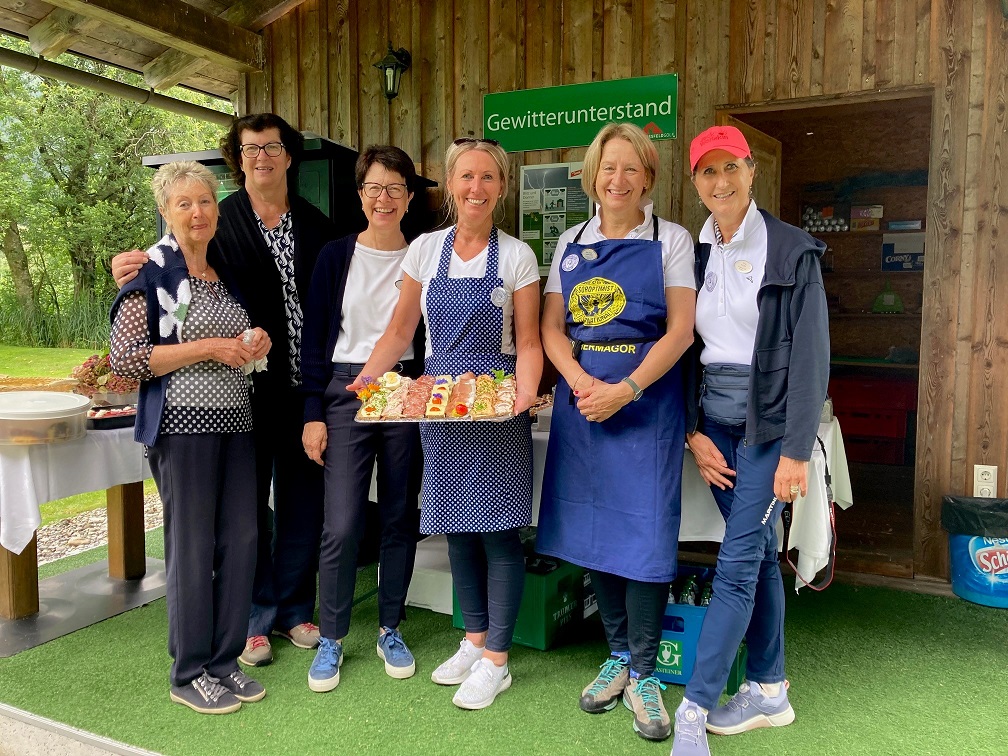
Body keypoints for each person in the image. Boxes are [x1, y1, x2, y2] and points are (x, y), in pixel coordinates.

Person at [112, 114, 337, 667]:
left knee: (304, 502)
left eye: (273, 147)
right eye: (250, 148)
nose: (262, 156)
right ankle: (255, 618)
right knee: (247, 510)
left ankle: (292, 609)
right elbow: (172, 270)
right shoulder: (220, 219)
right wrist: (128, 267)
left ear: (289, 156)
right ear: (238, 158)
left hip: (307, 387)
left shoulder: (317, 224)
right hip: (241, 394)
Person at [349, 137, 542, 710]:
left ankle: (498, 661)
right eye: (466, 177)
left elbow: (529, 342)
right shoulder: (425, 251)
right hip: (441, 409)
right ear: (452, 186)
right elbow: (398, 332)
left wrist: (525, 392)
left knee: (500, 537)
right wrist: (367, 379)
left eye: (487, 177)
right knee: (458, 531)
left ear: (501, 187)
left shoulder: (517, 256)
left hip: (498, 406)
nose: (476, 188)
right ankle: (474, 640)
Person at [669, 125, 829, 756]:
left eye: (729, 167)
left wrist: (794, 450)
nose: (720, 182)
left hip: (769, 432)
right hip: (717, 425)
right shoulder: (696, 253)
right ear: (696, 182)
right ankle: (769, 689)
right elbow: (686, 348)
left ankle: (695, 706)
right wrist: (693, 432)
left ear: (751, 169)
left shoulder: (791, 250)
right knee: (760, 556)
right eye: (706, 172)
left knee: (735, 566)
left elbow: (811, 361)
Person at [535, 123, 697, 742]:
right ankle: (619, 657)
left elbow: (680, 331)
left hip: (647, 404)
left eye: (631, 169)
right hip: (584, 400)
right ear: (591, 176)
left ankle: (647, 672)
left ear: (648, 178)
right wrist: (579, 382)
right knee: (597, 527)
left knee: (647, 530)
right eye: (608, 167)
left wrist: (625, 389)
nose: (618, 179)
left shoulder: (672, 240)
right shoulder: (570, 242)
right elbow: (554, 328)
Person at [109, 161, 271, 714]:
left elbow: (233, 341)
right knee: (193, 547)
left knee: (244, 540)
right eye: (184, 204)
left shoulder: (222, 270)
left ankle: (224, 664)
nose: (198, 212)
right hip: (182, 430)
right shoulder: (147, 274)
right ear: (165, 212)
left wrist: (252, 342)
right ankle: (189, 671)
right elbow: (128, 359)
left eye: (205, 201)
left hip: (237, 426)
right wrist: (210, 348)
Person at [299, 145, 425, 692]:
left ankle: (390, 626)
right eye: (374, 187)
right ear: (360, 195)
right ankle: (331, 635)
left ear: (410, 197)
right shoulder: (334, 256)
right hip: (345, 388)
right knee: (343, 522)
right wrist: (313, 412)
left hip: (406, 386)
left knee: (399, 514)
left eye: (395, 188)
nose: (384, 198)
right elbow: (313, 339)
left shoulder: (425, 256)